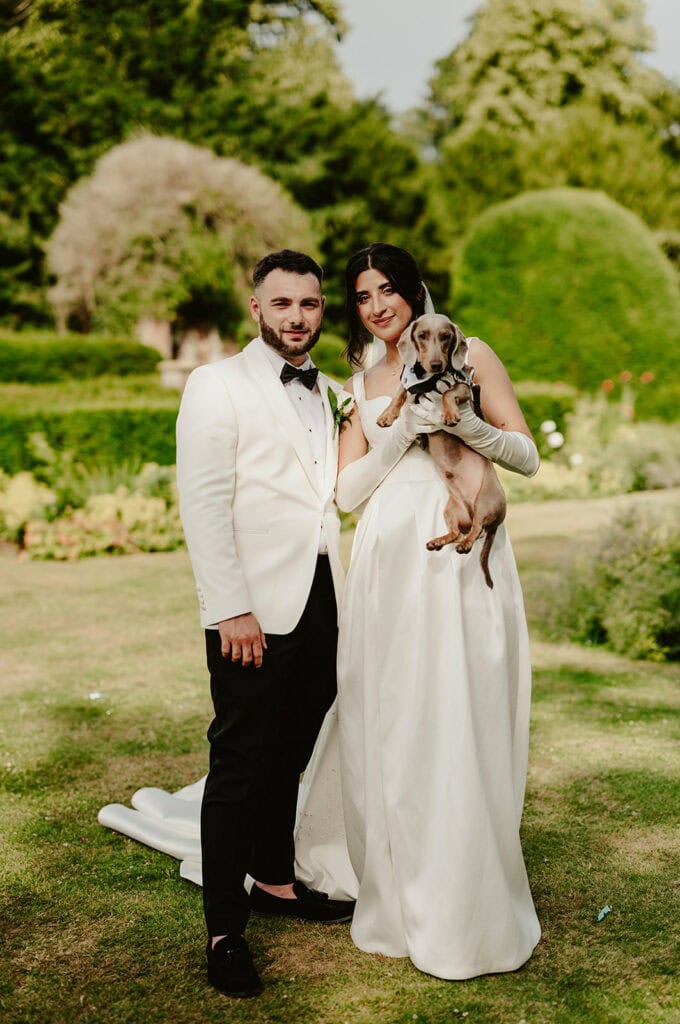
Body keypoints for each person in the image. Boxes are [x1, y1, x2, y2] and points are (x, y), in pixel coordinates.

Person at [325, 241, 542, 979]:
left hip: (463, 552)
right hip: (393, 555)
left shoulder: (470, 352)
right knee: (397, 718)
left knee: (463, 712)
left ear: (415, 292)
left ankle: (467, 895)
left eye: (388, 289)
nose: (377, 306)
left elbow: (527, 455)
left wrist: (467, 428)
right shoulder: (360, 381)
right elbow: (348, 494)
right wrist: (402, 437)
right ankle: (399, 890)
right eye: (362, 296)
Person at [175, 249, 355, 999]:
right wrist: (229, 608)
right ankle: (224, 933)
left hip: (325, 599)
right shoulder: (216, 385)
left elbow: (334, 494)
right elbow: (205, 502)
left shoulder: (334, 390)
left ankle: (275, 883)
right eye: (282, 304)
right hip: (251, 608)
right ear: (257, 309)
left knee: (292, 752)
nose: (297, 318)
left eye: (309, 305)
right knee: (241, 763)